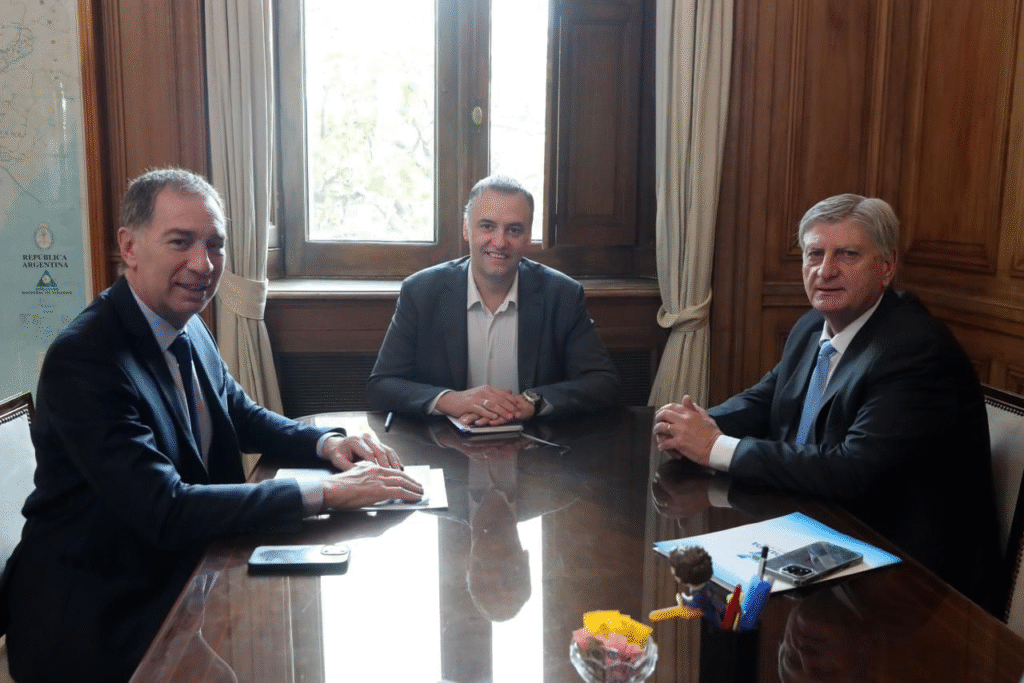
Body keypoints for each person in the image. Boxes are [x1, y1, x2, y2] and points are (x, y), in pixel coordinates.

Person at [0, 168, 424, 683]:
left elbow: (239, 414)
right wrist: (328, 494)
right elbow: (165, 508)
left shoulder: (187, 325)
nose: (203, 265)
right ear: (129, 247)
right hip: (100, 614)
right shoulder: (86, 359)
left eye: (215, 245)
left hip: (179, 569)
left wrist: (326, 442)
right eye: (180, 242)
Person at [652, 193, 1001, 613]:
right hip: (822, 535)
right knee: (711, 593)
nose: (825, 270)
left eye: (848, 254)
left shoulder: (914, 349)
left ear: (887, 266)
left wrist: (714, 447)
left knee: (728, 604)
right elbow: (767, 399)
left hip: (910, 580)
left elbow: (852, 469)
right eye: (814, 254)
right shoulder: (811, 327)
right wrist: (693, 425)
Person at [366, 174, 620, 426]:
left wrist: (532, 401)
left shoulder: (562, 294)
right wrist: (451, 401)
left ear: (528, 236)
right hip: (443, 444)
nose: (500, 242)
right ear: (466, 229)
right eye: (487, 226)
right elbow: (382, 386)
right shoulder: (421, 291)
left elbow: (604, 383)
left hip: (533, 444)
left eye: (514, 230)